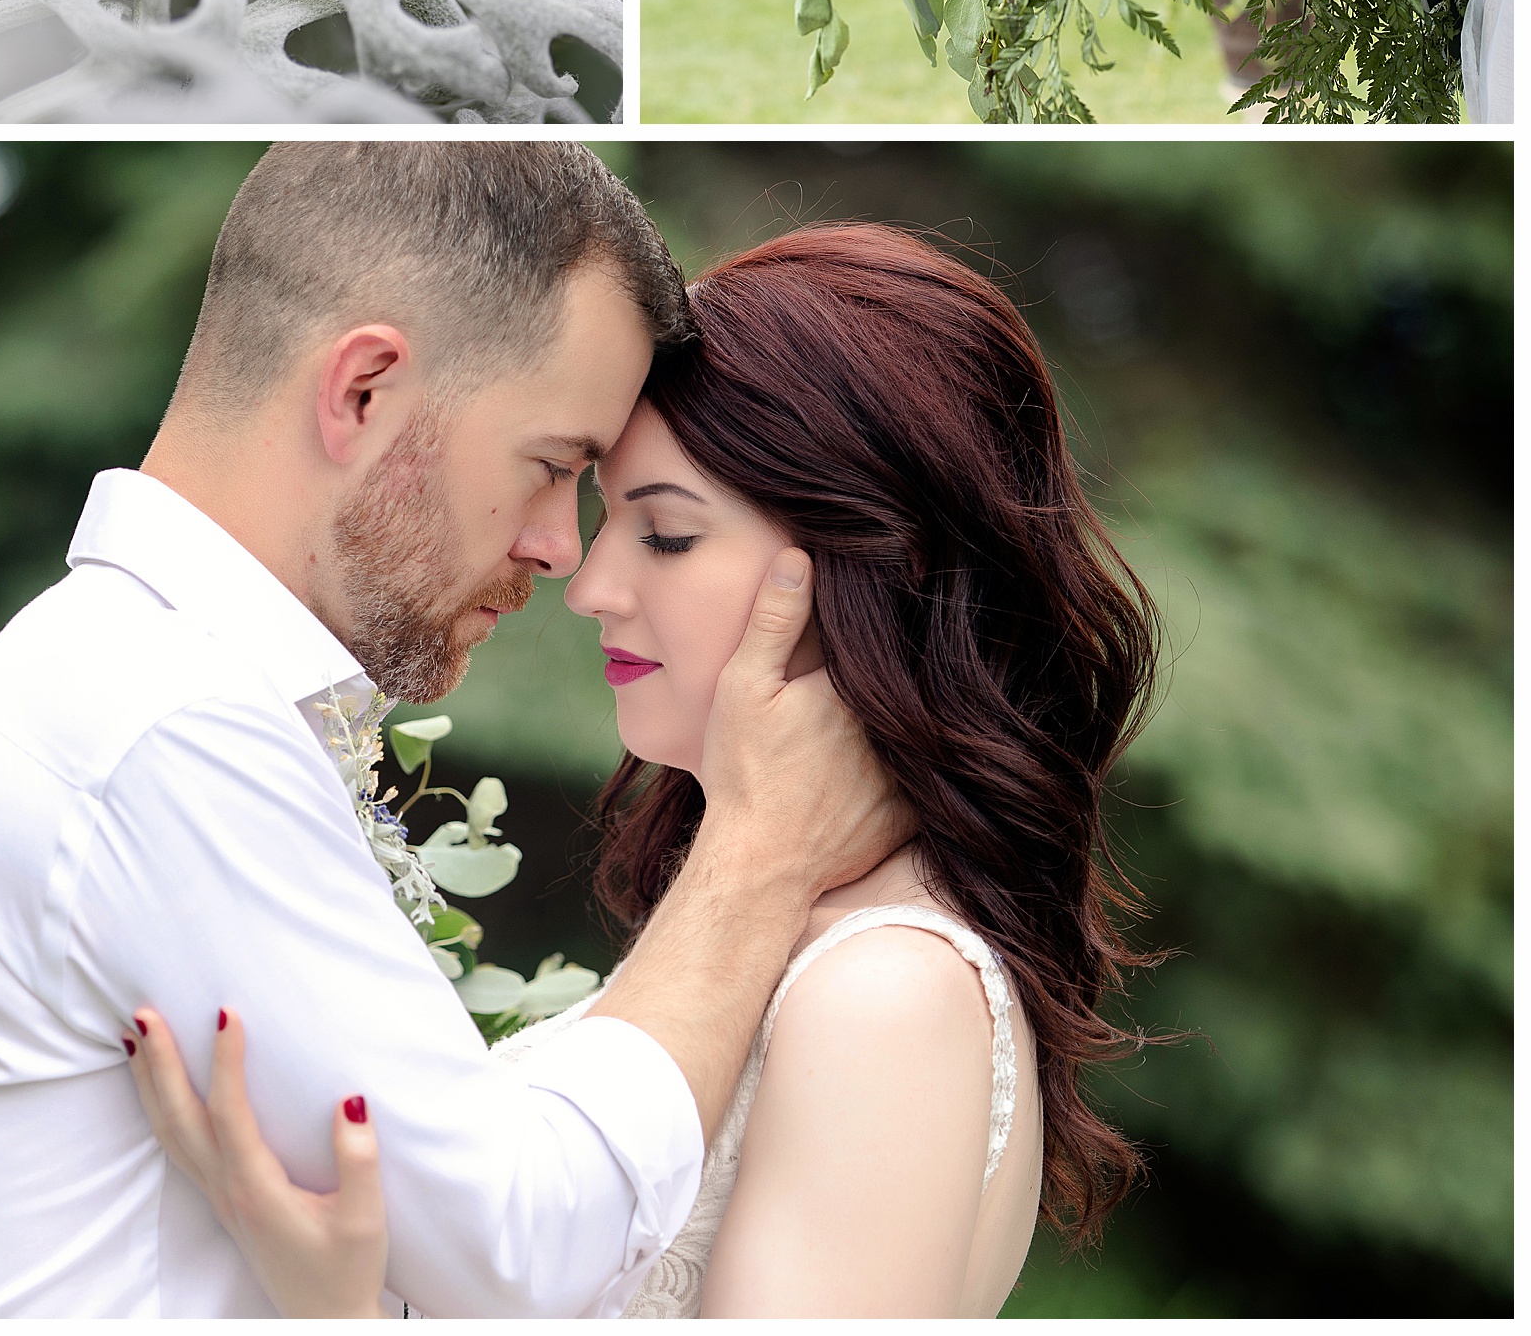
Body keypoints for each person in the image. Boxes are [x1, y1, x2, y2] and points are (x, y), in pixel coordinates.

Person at [0, 147, 905, 1318]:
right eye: (551, 467)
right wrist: (760, 847)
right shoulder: (159, 728)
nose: (559, 548)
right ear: (363, 393)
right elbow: (522, 1247)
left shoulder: (117, 690)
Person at [128, 222, 1165, 1317]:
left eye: (665, 536)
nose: (590, 587)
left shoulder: (884, 998)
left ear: (875, 566)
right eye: (603, 516)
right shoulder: (794, 940)